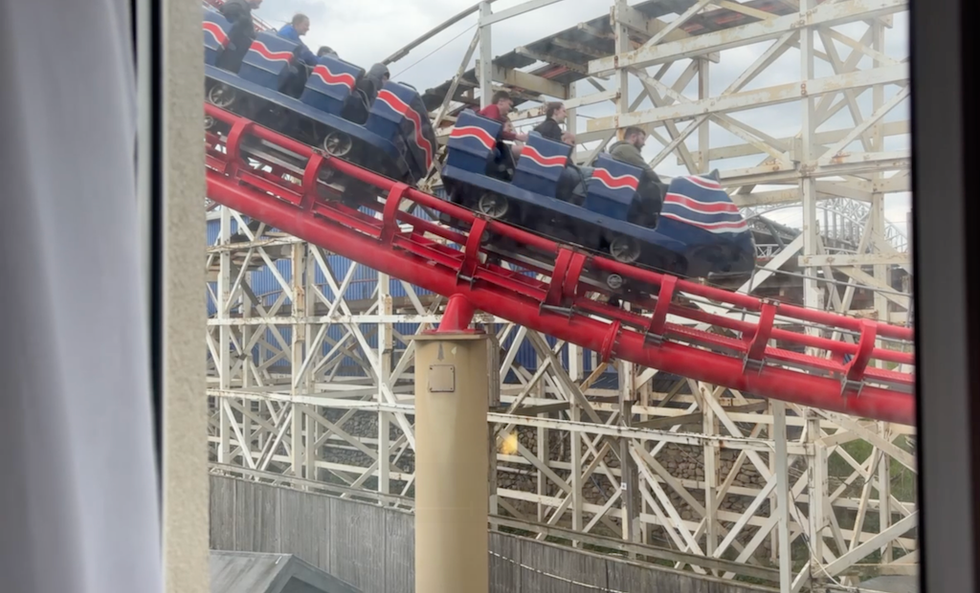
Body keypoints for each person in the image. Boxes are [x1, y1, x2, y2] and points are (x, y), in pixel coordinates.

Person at [217, 0, 263, 72]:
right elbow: (230, 13)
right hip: (232, 48)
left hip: (234, 45)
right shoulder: (238, 4)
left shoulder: (244, 7)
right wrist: (244, 20)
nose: (260, 2)